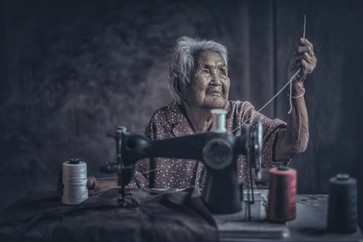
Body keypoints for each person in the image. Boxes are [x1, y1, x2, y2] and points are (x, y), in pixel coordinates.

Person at [124, 36, 317, 190]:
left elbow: (294, 144)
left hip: (233, 220)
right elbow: (141, 180)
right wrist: (98, 185)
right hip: (178, 223)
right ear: (181, 86)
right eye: (206, 70)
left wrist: (296, 84)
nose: (217, 80)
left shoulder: (242, 116)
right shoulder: (163, 121)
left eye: (222, 72)